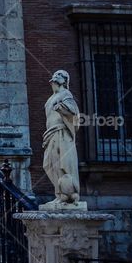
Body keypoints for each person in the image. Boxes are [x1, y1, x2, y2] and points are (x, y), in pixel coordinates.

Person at [41, 69, 82, 208]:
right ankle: (59, 195)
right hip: (51, 134)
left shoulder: (66, 94)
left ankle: (65, 196)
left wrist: (62, 108)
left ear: (64, 80)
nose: (55, 77)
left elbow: (74, 112)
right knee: (49, 164)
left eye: (59, 75)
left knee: (62, 165)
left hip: (61, 133)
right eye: (54, 75)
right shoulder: (51, 98)